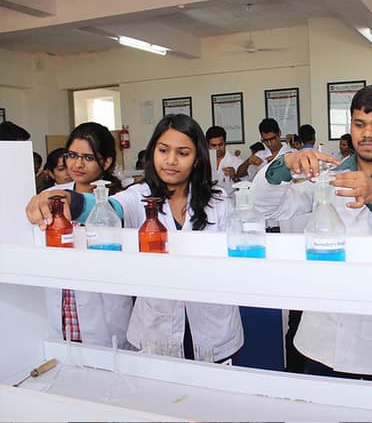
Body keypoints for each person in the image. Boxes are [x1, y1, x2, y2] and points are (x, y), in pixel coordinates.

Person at [26, 114, 244, 362]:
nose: (171, 160)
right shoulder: (138, 195)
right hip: (155, 328)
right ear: (153, 152)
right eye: (163, 150)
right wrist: (69, 200)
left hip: (214, 327)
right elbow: (108, 208)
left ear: (196, 159)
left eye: (183, 153)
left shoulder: (218, 202)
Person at [252, 84, 372, 383]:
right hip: (322, 339)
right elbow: (266, 208)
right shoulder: (327, 177)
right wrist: (283, 166)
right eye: (359, 124)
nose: (367, 133)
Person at [25, 122, 131, 348]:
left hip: (104, 311)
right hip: (63, 304)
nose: (77, 164)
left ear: (107, 162)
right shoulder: (49, 197)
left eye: (88, 158)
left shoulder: (119, 202)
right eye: (72, 155)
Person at [206, 125, 242, 196]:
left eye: (220, 144)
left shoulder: (236, 162)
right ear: (208, 145)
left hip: (230, 200)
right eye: (213, 145)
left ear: (225, 143)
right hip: (208, 200)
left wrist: (235, 177)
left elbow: (246, 188)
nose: (217, 148)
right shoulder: (202, 162)